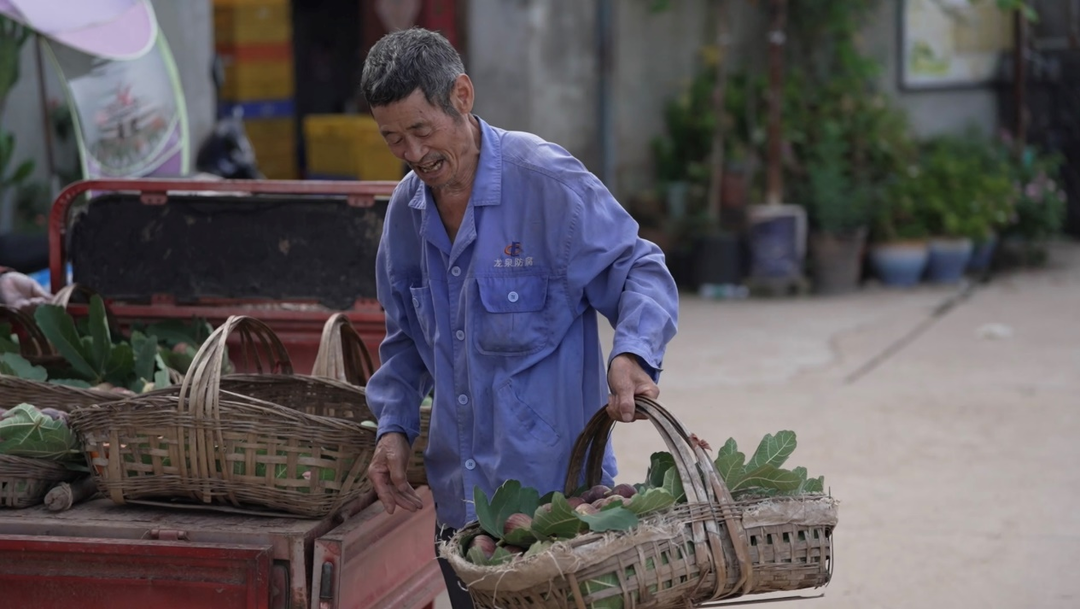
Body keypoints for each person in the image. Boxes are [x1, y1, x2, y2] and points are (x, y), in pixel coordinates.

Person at [359, 28, 679, 608]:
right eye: (392, 139)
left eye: (421, 131)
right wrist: (393, 427)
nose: (411, 154)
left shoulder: (548, 184)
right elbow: (405, 339)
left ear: (462, 95)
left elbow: (641, 270)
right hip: (463, 519)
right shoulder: (404, 215)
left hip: (561, 513)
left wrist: (632, 353)